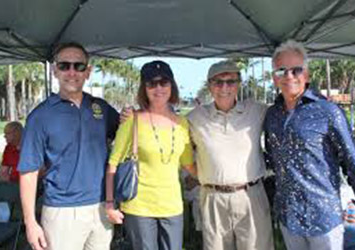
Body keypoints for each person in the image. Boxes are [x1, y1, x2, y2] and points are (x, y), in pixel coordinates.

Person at [264, 40, 355, 250]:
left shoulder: (328, 112)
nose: (289, 76)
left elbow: (353, 163)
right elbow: (271, 158)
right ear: (274, 77)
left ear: (307, 75)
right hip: (289, 218)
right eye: (281, 70)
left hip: (324, 219)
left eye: (296, 70)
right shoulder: (271, 115)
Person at [18, 42, 119, 250]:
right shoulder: (40, 116)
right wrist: (30, 223)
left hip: (101, 208)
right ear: (55, 70)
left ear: (88, 71)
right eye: (64, 66)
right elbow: (28, 171)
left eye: (78, 66)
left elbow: (126, 132)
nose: (71, 72)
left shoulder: (100, 108)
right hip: (61, 212)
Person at [105, 60, 195, 250]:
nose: (158, 88)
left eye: (164, 82)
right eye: (151, 84)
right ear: (144, 89)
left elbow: (188, 164)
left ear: (172, 85)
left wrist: (217, 180)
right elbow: (113, 163)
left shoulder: (182, 124)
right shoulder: (132, 120)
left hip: (172, 206)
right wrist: (110, 203)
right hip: (139, 206)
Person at [187, 60, 274, 250]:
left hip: (251, 197)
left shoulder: (257, 111)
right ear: (209, 85)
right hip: (213, 198)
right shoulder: (194, 118)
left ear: (239, 83)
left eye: (231, 81)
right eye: (218, 82)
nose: (224, 87)